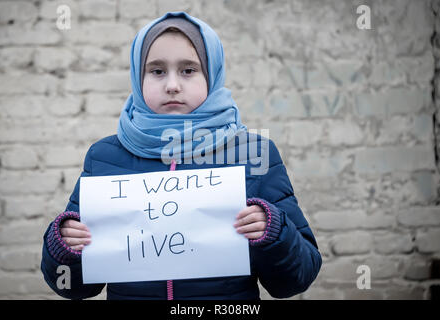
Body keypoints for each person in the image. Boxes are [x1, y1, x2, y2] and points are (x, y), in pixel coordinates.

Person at [41, 11, 322, 300]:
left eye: (188, 70)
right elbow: (73, 288)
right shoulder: (103, 157)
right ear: (138, 79)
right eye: (157, 71)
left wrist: (274, 233)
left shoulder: (254, 154)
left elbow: (295, 281)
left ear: (211, 75)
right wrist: (64, 246)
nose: (172, 84)